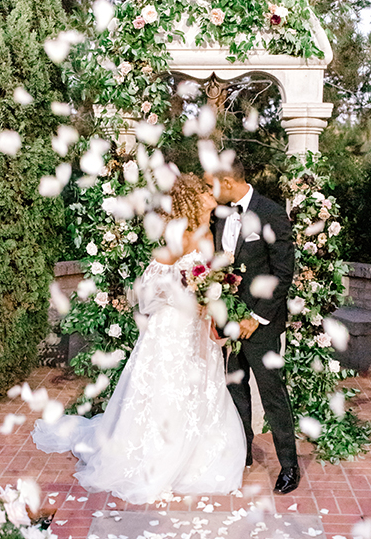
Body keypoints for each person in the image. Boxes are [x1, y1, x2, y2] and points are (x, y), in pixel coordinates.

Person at [32, 174, 246, 504]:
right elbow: (150, 282)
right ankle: (158, 459)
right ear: (192, 198)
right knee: (167, 390)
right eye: (204, 192)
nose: (211, 195)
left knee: (201, 389)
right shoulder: (178, 234)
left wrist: (213, 293)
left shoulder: (208, 231)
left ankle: (196, 459)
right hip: (172, 327)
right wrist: (187, 288)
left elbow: (209, 276)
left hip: (198, 330)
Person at [204, 158, 300, 494]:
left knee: (272, 395)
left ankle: (290, 466)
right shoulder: (220, 214)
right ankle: (241, 454)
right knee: (235, 391)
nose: (210, 192)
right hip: (228, 322)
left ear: (228, 182)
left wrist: (255, 318)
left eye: (212, 185)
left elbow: (282, 274)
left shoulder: (270, 212)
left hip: (262, 324)